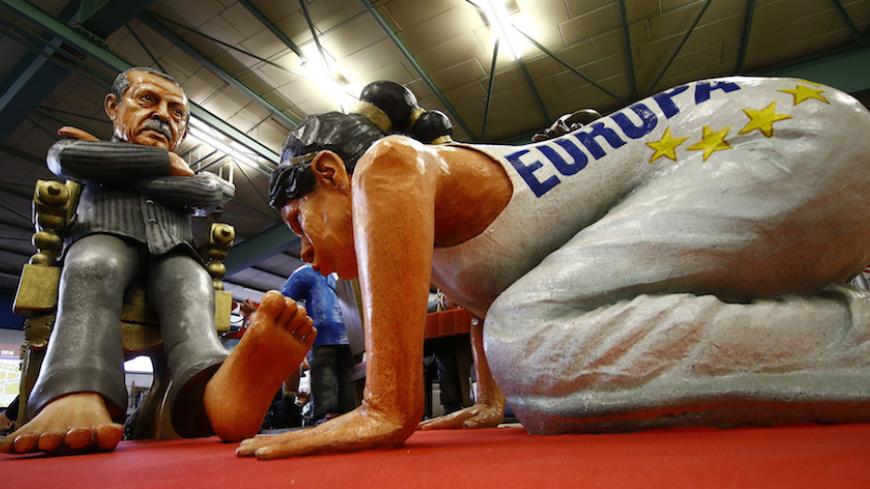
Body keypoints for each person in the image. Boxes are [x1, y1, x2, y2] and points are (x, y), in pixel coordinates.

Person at [237, 77, 870, 460]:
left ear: (330, 173)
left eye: (298, 223)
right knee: (522, 336)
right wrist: (488, 403)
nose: (304, 252)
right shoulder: (434, 233)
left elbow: (394, 168)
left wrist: (383, 407)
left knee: (531, 348)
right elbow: (491, 299)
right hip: (802, 137)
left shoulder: (387, 166)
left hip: (778, 133)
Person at [0, 67, 316, 455]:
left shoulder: (130, 162)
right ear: (113, 107)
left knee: (192, 285)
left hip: (172, 251)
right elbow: (66, 157)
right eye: (148, 100)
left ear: (183, 130)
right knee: (94, 267)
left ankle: (211, 386)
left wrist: (118, 165)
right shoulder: (80, 150)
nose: (163, 115)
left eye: (176, 112)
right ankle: (75, 390)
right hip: (102, 237)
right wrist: (162, 163)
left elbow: (213, 191)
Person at [280, 265, 355, 424]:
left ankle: (343, 414)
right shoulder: (309, 272)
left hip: (347, 334)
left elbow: (284, 299)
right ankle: (328, 415)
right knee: (327, 376)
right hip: (325, 335)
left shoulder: (346, 274)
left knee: (344, 377)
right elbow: (284, 299)